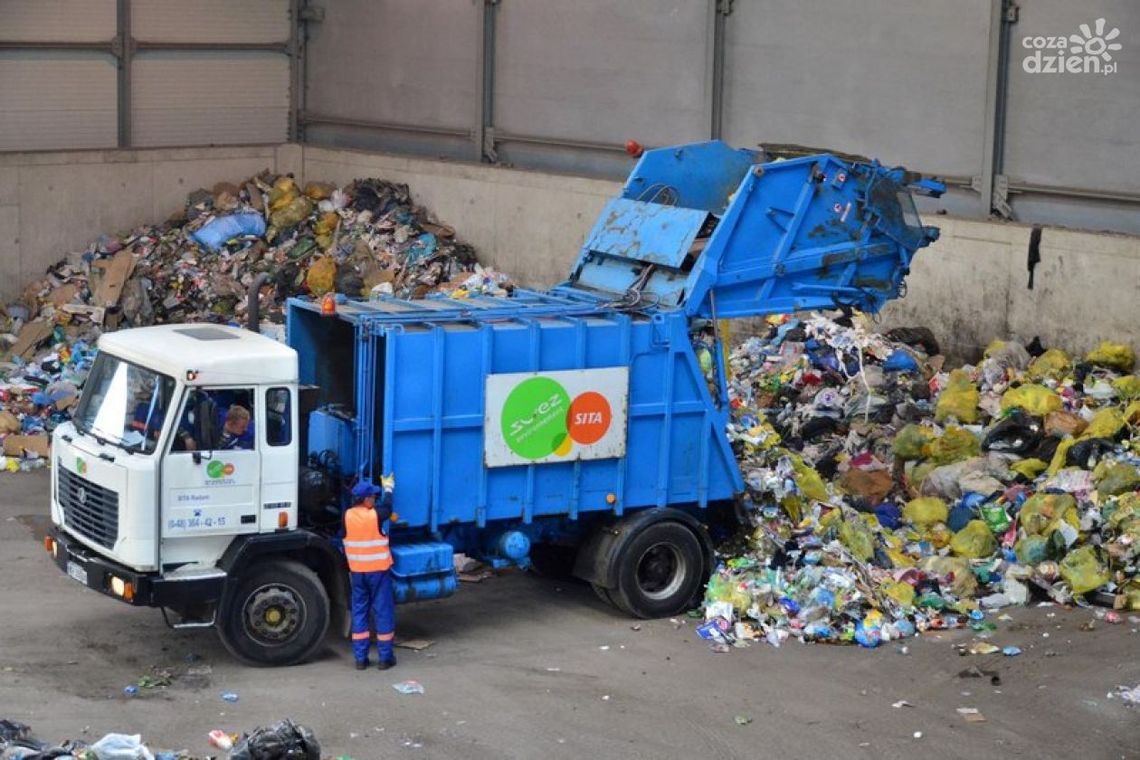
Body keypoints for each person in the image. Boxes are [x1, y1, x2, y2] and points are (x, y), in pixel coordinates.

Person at [344, 474, 397, 670]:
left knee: (359, 613)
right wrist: (389, 488)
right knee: (382, 611)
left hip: (358, 573)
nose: (375, 499)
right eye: (373, 497)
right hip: (378, 573)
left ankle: (360, 659)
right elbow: (388, 507)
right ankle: (385, 658)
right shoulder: (374, 515)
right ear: (365, 499)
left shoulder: (347, 516)